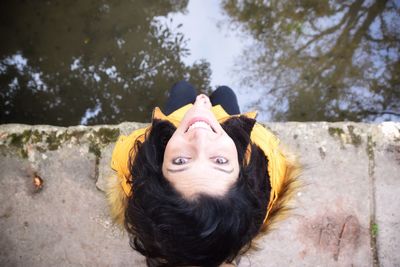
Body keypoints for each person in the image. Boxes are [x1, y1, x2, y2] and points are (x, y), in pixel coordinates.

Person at [106, 81, 300, 267]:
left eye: (180, 161)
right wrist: (202, 113)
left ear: (156, 175)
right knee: (225, 93)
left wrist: (199, 111)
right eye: (220, 161)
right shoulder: (264, 172)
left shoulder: (140, 168)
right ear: (245, 177)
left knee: (182, 88)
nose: (201, 137)